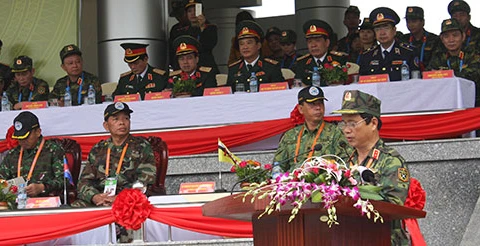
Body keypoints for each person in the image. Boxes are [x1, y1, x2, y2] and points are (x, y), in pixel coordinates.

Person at [332, 90, 410, 245]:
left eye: (353, 123)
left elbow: (393, 208)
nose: (346, 130)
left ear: (373, 123)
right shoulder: (343, 161)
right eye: (343, 123)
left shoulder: (391, 161)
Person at [74, 102, 156, 208]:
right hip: (101, 198)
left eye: (126, 118)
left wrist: (120, 198)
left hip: (128, 199)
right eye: (116, 119)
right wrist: (95, 197)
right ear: (106, 126)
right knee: (75, 209)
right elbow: (84, 182)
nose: (122, 122)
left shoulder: (141, 146)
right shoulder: (98, 149)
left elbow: (145, 182)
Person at [274, 86, 352, 172]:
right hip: (293, 183)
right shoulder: (290, 135)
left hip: (323, 182)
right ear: (300, 109)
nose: (318, 107)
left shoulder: (335, 132)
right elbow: (277, 166)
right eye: (312, 104)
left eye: (320, 103)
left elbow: (345, 163)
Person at [0, 111, 65, 197]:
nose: (22, 142)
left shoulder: (53, 151)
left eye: (26, 137)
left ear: (38, 132)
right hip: (15, 202)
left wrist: (42, 187)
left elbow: (64, 180)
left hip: (44, 202)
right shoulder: (13, 154)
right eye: (19, 138)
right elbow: (1, 179)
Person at [427, 18, 480, 106]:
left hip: (473, 103)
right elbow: (428, 75)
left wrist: (443, 75)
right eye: (446, 36)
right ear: (442, 39)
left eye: (455, 35)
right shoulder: (438, 57)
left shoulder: (473, 54)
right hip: (444, 102)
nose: (451, 40)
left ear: (463, 36)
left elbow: (472, 75)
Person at [358, 7, 419, 81]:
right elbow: (362, 83)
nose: (382, 33)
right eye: (378, 29)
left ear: (394, 30)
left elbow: (416, 82)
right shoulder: (367, 56)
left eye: (386, 28)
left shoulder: (408, 52)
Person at [226, 20, 284, 93]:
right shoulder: (233, 69)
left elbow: (280, 93)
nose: (245, 47)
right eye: (241, 44)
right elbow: (228, 94)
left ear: (258, 45)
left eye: (249, 43)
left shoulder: (271, 67)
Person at [294, 19, 348, 86]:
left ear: (327, 43)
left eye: (317, 40)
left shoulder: (339, 59)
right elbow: (297, 84)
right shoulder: (302, 63)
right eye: (309, 42)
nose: (313, 45)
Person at [171, 0, 219, 74]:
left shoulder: (210, 28)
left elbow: (208, 45)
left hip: (206, 68)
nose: (193, 13)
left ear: (202, 12)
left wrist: (202, 27)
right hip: (186, 70)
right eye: (189, 11)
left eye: (196, 10)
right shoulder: (181, 30)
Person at [402, 7, 440, 71]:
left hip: (430, 76)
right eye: (408, 22)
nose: (411, 25)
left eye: (414, 21)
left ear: (423, 22)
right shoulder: (403, 39)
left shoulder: (435, 39)